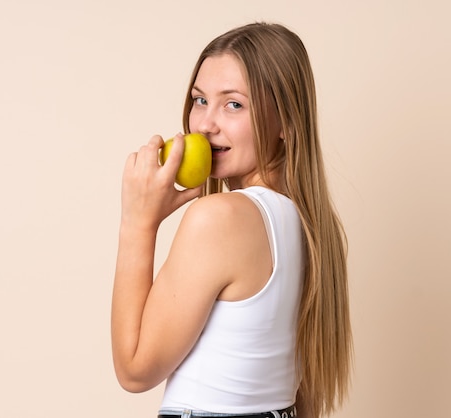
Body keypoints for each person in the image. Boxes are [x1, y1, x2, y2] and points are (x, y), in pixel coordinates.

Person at [111, 22, 352, 418]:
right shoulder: (308, 225)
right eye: (199, 100)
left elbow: (135, 369)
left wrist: (138, 223)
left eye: (234, 104)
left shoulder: (219, 217)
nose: (205, 124)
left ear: (286, 123)